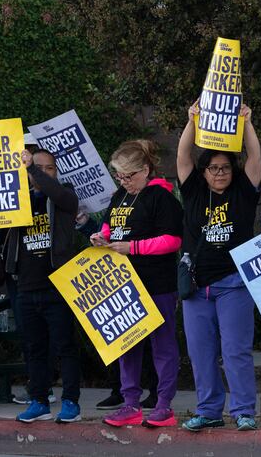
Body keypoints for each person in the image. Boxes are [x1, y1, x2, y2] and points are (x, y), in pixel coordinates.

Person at [176, 101, 261, 432]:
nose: (220, 173)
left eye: (225, 167)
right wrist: (191, 121)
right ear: (204, 172)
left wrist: (247, 123)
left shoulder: (243, 192)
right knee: (200, 353)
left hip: (233, 284)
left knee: (236, 351)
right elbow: (183, 157)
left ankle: (243, 411)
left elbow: (254, 159)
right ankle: (209, 410)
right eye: (213, 168)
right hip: (197, 287)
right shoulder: (195, 192)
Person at [91, 140, 183, 428]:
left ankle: (163, 404)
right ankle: (130, 403)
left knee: (162, 346)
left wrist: (134, 248)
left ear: (145, 170)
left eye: (129, 176)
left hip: (157, 282)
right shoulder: (120, 195)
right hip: (124, 283)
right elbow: (109, 226)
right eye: (119, 175)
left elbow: (172, 240)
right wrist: (100, 237)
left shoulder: (161, 197)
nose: (124, 181)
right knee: (126, 345)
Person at [0, 148, 82, 424]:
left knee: (65, 346)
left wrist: (32, 170)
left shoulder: (65, 196)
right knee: (34, 349)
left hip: (58, 286)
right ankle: (39, 401)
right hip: (26, 288)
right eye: (38, 167)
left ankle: (70, 401)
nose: (43, 172)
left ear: (57, 172)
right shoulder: (17, 200)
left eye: (49, 168)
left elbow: (55, 192)